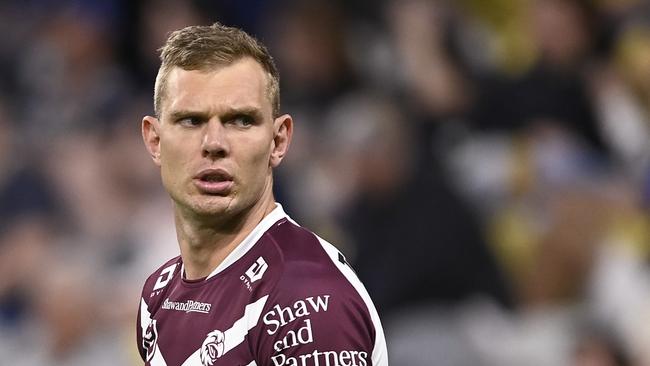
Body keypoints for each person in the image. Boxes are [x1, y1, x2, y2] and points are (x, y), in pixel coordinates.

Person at [136, 22, 388, 366]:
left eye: (240, 120)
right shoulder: (158, 295)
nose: (214, 144)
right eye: (191, 121)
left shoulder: (306, 299)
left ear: (279, 140)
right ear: (155, 140)